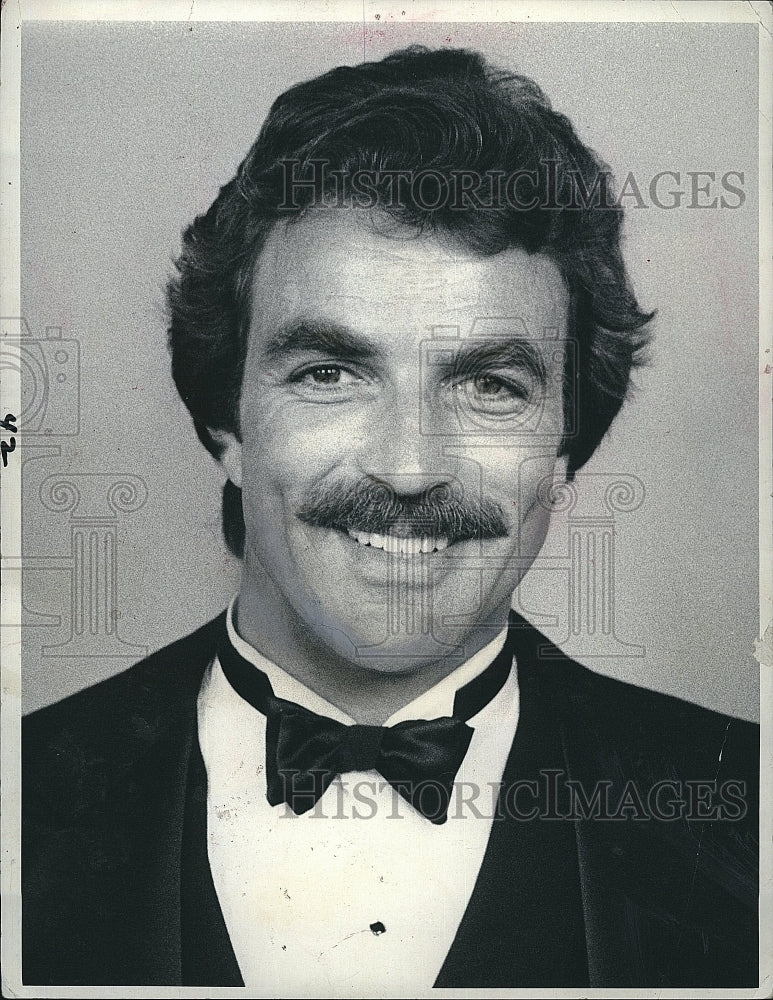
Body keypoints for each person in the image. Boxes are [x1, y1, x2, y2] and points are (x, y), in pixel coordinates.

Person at [22, 46, 758, 990]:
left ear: (566, 447)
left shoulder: (743, 808)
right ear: (226, 422)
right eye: (329, 373)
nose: (410, 468)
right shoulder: (21, 791)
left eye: (489, 385)